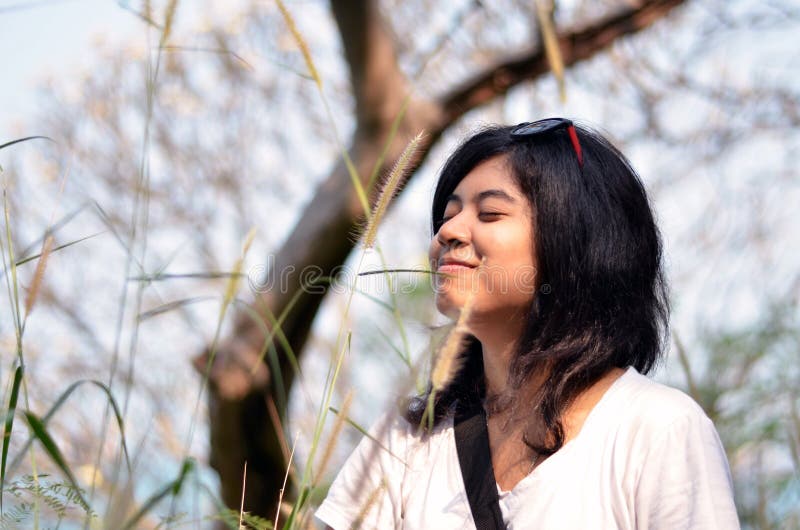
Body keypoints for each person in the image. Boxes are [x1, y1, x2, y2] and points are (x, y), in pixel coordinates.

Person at [315, 119, 739, 529]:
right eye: (448, 214)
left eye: (490, 213)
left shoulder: (658, 430)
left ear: (574, 245)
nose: (448, 232)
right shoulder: (410, 436)